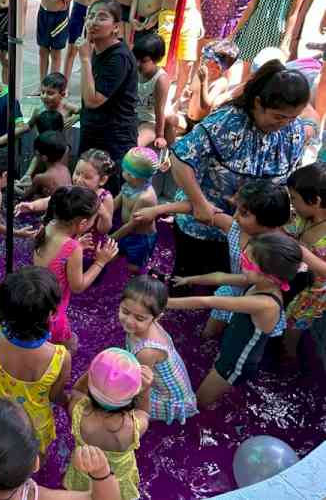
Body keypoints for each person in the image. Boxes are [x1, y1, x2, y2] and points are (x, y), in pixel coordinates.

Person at [169, 61, 309, 280]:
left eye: (293, 117)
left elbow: (287, 181)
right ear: (258, 103)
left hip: (251, 235)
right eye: (279, 116)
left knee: (230, 286)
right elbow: (180, 158)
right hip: (204, 223)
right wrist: (199, 203)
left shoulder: (294, 131)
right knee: (186, 279)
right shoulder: (227, 122)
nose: (285, 124)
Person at [135, 179, 292, 340]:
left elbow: (215, 293)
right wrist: (155, 210)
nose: (236, 216)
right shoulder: (235, 228)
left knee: (240, 338)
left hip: (257, 301)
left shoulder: (278, 250)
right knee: (209, 334)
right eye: (237, 209)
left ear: (269, 222)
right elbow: (194, 207)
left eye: (244, 213)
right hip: (233, 288)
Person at [169, 232, 301, 408]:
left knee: (200, 401)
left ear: (269, 275)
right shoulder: (258, 282)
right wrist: (189, 279)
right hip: (232, 349)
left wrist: (163, 304)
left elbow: (207, 301)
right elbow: (221, 277)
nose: (241, 262)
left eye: (247, 262)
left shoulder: (266, 304)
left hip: (237, 364)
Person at [0, 267, 71, 456]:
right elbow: (55, 397)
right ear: (52, 314)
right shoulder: (60, 357)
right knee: (37, 457)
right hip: (34, 424)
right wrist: (72, 401)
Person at [33, 187, 119, 350]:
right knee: (70, 347)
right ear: (83, 224)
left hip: (37, 302)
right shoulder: (72, 248)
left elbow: (54, 257)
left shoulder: (48, 226)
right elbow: (77, 286)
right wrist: (101, 261)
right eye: (94, 219)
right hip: (53, 315)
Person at [63, 348, 151, 500]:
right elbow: (144, 413)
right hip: (116, 482)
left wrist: (94, 371)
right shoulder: (132, 428)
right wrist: (146, 390)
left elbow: (77, 390)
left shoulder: (78, 411)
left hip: (85, 473)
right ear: (132, 396)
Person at [76, 0, 139, 194]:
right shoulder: (97, 49)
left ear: (116, 27)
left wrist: (85, 59)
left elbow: (93, 100)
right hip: (94, 130)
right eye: (91, 16)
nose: (93, 22)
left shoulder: (118, 57)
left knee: (106, 195)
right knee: (85, 191)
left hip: (113, 137)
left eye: (102, 17)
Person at [119, 276, 198, 424]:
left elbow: (140, 387)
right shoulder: (146, 325)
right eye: (125, 311)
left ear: (156, 318)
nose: (129, 321)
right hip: (173, 384)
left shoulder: (146, 351)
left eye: (139, 318)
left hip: (168, 399)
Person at [283, 163, 326, 361]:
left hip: (312, 295)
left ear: (315, 201)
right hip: (296, 280)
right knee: (285, 317)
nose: (292, 203)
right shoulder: (304, 217)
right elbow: (288, 231)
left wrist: (303, 253)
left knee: (295, 327)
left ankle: (289, 356)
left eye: (294, 199)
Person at [157, 0, 202, 105]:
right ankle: (158, 95)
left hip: (190, 16)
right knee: (162, 60)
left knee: (188, 61)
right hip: (169, 15)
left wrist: (199, 18)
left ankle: (176, 99)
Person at [166, 40, 238, 137]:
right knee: (167, 117)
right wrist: (187, 94)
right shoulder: (201, 73)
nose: (207, 62)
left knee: (169, 119)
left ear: (219, 66)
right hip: (188, 118)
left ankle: (173, 145)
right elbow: (191, 93)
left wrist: (204, 82)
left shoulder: (220, 83)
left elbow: (206, 106)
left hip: (201, 125)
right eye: (207, 59)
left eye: (211, 60)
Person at [112, 147, 159, 274]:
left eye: (124, 171)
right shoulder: (128, 185)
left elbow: (132, 225)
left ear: (132, 176)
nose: (122, 173)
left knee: (134, 267)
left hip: (140, 238)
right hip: (125, 230)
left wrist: (112, 237)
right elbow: (115, 202)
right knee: (115, 253)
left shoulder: (145, 198)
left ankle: (136, 283)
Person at [133, 34, 170, 148]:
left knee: (135, 145)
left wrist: (160, 135)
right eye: (136, 59)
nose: (138, 64)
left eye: (143, 61)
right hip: (132, 117)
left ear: (157, 59)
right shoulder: (134, 71)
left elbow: (160, 110)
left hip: (149, 122)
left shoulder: (160, 79)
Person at [23, 132, 72, 200]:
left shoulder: (40, 178)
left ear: (44, 158)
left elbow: (25, 196)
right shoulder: (65, 169)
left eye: (36, 154)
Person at [36, 0, 71, 85]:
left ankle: (52, 86)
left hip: (60, 14)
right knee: (43, 51)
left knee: (55, 53)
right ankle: (42, 85)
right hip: (44, 11)